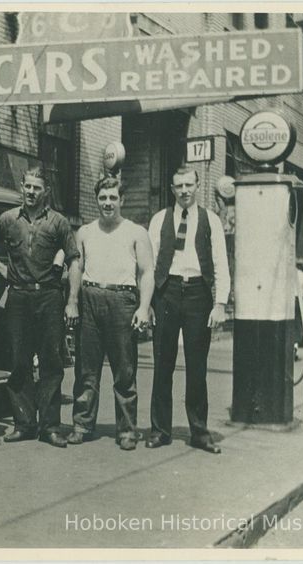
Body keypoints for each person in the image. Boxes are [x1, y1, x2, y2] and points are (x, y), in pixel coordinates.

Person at [0, 166, 81, 448]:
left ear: (46, 192)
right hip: (18, 297)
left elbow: (74, 260)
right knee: (19, 361)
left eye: (36, 188)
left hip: (49, 297)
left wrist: (72, 301)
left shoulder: (58, 222)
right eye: (27, 186)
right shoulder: (6, 220)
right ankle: (24, 423)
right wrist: (2, 268)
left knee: (51, 363)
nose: (31, 192)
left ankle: (50, 427)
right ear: (21, 187)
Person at [65, 176, 154, 451]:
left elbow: (147, 271)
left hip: (123, 299)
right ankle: (82, 424)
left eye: (113, 198)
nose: (107, 203)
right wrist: (72, 301)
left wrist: (143, 306)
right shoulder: (85, 232)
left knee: (124, 369)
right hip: (90, 298)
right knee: (86, 369)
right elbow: (76, 268)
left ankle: (127, 430)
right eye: (103, 198)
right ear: (97, 200)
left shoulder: (136, 232)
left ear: (122, 200)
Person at [147, 167, 230, 454]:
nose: (184, 190)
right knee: (162, 365)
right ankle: (160, 430)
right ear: (171, 188)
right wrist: (146, 304)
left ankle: (199, 432)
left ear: (197, 186)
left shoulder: (211, 221)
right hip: (166, 293)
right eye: (178, 185)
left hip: (198, 294)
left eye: (189, 185)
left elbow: (221, 263)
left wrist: (220, 304)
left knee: (197, 367)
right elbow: (148, 265)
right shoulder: (159, 220)